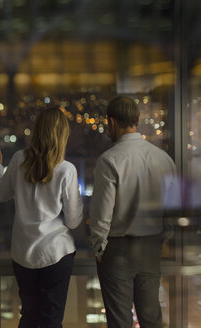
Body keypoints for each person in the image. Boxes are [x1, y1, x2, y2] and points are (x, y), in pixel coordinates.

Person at [0, 108, 83, 328]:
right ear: (62, 135)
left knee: (28, 317)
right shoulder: (66, 170)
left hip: (23, 253)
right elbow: (74, 221)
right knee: (51, 321)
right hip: (56, 253)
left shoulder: (19, 159)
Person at [90, 96, 178, 328]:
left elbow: (101, 214)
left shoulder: (109, 160)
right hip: (150, 246)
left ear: (111, 122)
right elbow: (172, 210)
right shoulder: (164, 159)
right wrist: (160, 238)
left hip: (118, 249)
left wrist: (100, 248)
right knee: (151, 318)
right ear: (136, 120)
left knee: (120, 321)